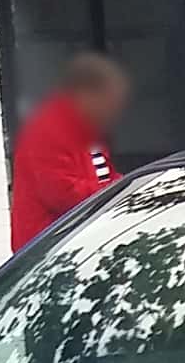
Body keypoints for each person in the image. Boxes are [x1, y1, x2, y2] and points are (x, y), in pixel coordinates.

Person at [8, 52, 130, 249]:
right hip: (50, 249)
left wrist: (123, 187)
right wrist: (118, 190)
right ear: (85, 93)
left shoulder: (88, 128)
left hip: (80, 241)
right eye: (109, 99)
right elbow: (61, 193)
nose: (113, 108)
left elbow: (103, 174)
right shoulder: (48, 130)